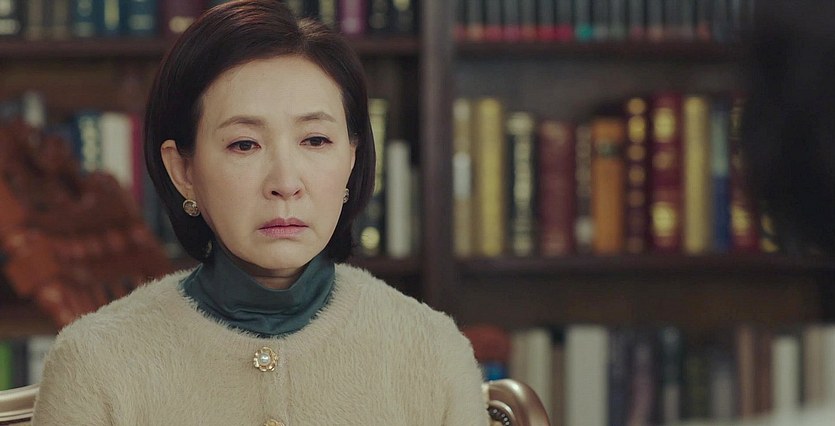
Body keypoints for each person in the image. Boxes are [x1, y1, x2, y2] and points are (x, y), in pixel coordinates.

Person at [32, 1, 488, 424]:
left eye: (315, 140)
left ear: (352, 158)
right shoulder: (94, 363)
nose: (285, 182)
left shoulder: (433, 352)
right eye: (244, 144)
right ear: (183, 170)